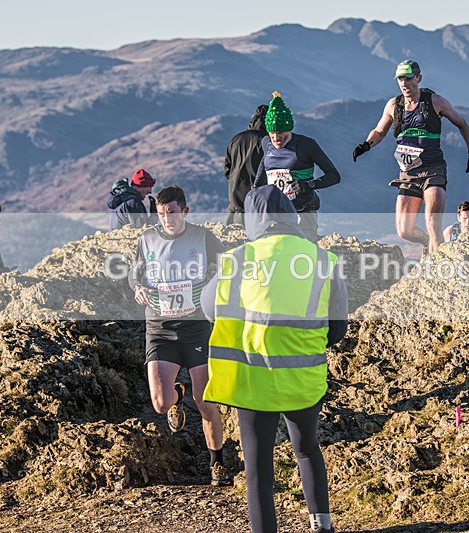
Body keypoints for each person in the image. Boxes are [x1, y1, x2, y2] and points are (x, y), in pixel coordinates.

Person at [202, 185, 348, 533]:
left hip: (254, 380)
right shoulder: (323, 260)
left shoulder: (236, 260)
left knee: (257, 470)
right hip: (304, 379)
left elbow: (210, 310)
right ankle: (321, 525)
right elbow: (337, 331)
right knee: (308, 450)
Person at [129, 185, 230, 486]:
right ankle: (176, 398)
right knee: (159, 403)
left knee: (206, 403)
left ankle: (218, 464)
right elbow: (135, 272)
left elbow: (225, 267)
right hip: (160, 328)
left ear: (184, 211)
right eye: (161, 214)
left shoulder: (204, 238)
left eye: (172, 213)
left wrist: (213, 290)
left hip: (197, 327)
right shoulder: (146, 239)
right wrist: (138, 287)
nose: (167, 219)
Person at [353, 59, 469, 255]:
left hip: (433, 169)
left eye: (408, 79)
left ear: (418, 78)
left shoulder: (435, 101)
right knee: (404, 230)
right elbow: (379, 131)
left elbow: (462, 124)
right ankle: (427, 242)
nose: (404, 84)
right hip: (407, 173)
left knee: (433, 222)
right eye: (400, 79)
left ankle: (439, 268)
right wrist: (365, 145)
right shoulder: (393, 105)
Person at [253, 92, 340, 242]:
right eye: (272, 132)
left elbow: (334, 176)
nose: (276, 138)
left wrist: (308, 185)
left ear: (289, 129)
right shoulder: (266, 142)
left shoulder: (306, 145)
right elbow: (264, 162)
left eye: (280, 133)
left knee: (303, 257)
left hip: (302, 213)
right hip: (275, 214)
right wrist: (255, 187)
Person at [224, 104, 269, 227]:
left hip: (235, 202)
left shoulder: (236, 139)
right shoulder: (268, 142)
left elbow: (227, 170)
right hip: (258, 203)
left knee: (235, 239)